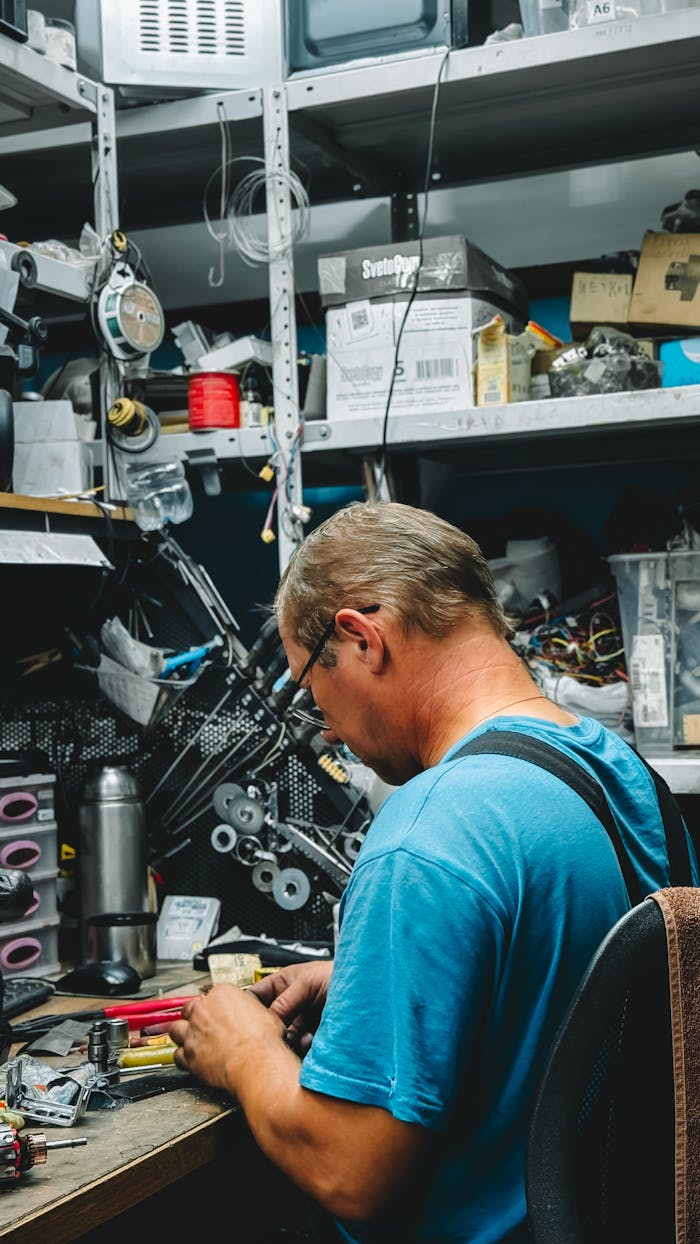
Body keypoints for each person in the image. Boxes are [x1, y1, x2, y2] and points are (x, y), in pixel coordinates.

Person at [169, 500, 698, 1244]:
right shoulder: (625, 778)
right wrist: (367, 973)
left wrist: (243, 1048)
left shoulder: (427, 835)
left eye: (312, 691)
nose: (325, 728)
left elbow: (349, 1171)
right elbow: (562, 987)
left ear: (359, 638)